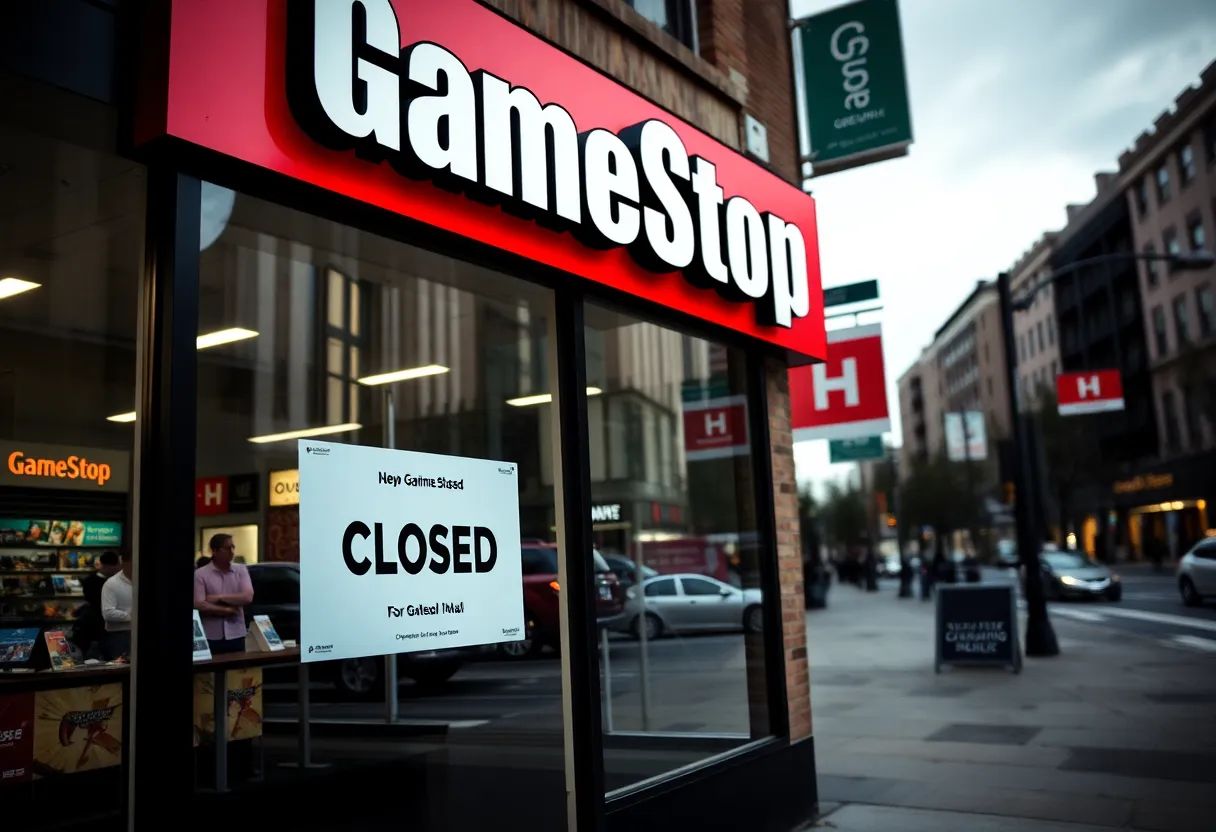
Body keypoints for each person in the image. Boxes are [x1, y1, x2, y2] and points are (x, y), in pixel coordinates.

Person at [194, 533, 254, 654]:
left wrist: (218, 597)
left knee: (236, 671)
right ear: (215, 551)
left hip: (237, 634)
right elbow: (199, 604)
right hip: (211, 635)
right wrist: (226, 610)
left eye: (233, 547)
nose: (232, 551)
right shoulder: (201, 574)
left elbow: (247, 596)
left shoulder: (240, 570)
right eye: (227, 548)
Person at [75, 551, 121, 657]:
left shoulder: (114, 581)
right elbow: (95, 601)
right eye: (116, 565)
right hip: (95, 627)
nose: (118, 568)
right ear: (109, 566)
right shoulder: (92, 582)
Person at [100, 549, 134, 659]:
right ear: (124, 563)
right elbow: (108, 613)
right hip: (119, 636)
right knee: (121, 670)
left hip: (138, 633)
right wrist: (132, 617)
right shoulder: (112, 584)